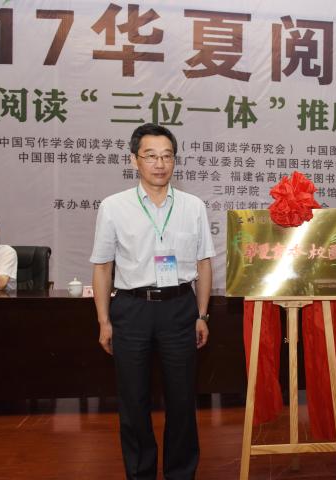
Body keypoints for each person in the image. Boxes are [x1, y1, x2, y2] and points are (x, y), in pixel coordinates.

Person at [90, 123, 215, 480]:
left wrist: (202, 314)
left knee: (182, 400)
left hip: (179, 308)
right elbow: (103, 267)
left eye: (167, 156)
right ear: (134, 160)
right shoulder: (113, 207)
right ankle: (140, 473)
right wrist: (104, 321)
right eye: (150, 156)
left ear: (175, 160)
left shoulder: (193, 206)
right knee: (133, 401)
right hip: (132, 309)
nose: (160, 164)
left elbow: (204, 264)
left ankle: (181, 473)